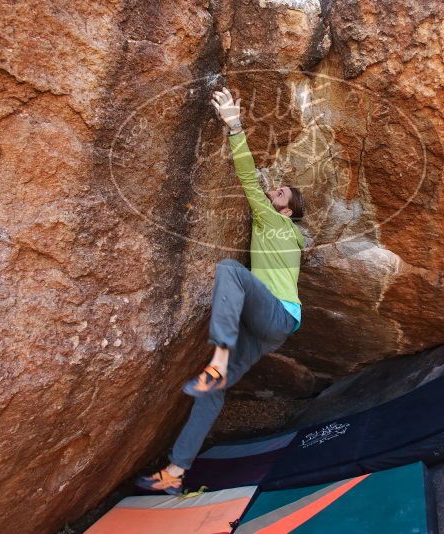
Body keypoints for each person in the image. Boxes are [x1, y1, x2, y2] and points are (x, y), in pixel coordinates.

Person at [135, 87, 306, 495]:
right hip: (272, 326)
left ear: (287, 211)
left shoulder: (276, 223)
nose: (272, 191)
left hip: (278, 314)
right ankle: (175, 472)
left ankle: (219, 353)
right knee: (212, 392)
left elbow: (247, 177)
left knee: (229, 268)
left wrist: (234, 126)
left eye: (280, 193)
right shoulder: (285, 231)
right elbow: (260, 185)